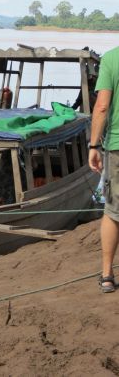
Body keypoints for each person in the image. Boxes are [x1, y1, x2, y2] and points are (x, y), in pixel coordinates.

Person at [88, 46, 119, 293]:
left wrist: (94, 145)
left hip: (117, 148)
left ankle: (107, 275)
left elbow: (101, 106)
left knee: (112, 211)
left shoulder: (111, 58)